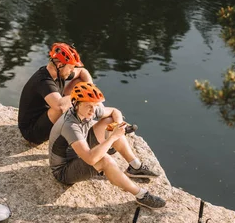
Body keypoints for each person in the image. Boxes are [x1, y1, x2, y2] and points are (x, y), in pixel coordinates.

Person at [49, 82, 166, 210]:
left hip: (79, 150)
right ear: (76, 103)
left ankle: (135, 166)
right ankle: (141, 195)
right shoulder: (70, 126)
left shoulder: (86, 111)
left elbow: (115, 111)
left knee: (111, 122)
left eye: (94, 106)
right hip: (64, 170)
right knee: (105, 160)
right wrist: (114, 137)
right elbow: (90, 159)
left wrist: (119, 125)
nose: (93, 111)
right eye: (89, 106)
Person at [18, 42, 93, 145]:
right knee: (61, 108)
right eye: (70, 68)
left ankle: (82, 127)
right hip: (32, 131)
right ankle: (78, 135)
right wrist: (81, 93)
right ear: (60, 65)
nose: (72, 71)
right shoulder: (43, 81)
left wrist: (90, 89)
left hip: (45, 115)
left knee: (79, 81)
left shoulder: (59, 73)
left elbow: (83, 72)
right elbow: (60, 107)